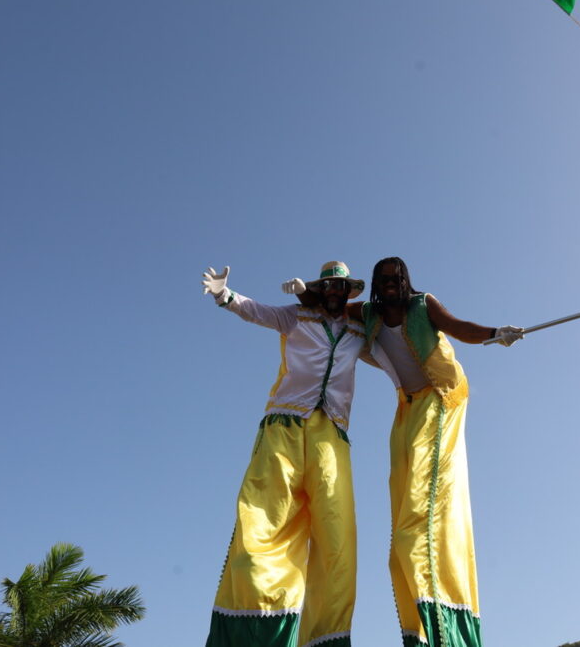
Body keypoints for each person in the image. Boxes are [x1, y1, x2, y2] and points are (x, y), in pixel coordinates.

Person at [285, 257, 523, 647]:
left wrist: (496, 333)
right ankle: (419, 631)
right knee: (400, 499)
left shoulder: (423, 304)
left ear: (406, 280)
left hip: (441, 395)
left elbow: (457, 327)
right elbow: (329, 303)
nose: (391, 284)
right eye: (384, 280)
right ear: (376, 284)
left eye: (396, 279)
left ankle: (444, 618)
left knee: (421, 501)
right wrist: (302, 291)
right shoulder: (368, 312)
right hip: (407, 405)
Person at [202, 261, 366, 647]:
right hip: (285, 425)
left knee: (337, 539)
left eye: (339, 286)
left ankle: (326, 639)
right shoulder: (296, 317)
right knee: (262, 525)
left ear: (348, 292)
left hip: (331, 434)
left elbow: (392, 350)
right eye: (327, 285)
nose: (333, 291)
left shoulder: (359, 332)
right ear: (320, 289)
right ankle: (254, 632)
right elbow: (257, 312)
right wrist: (225, 295)